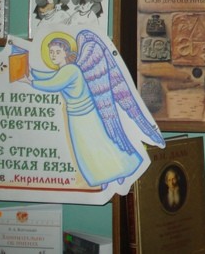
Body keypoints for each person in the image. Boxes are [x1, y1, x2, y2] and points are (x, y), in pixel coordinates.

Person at [19, 33, 144, 189]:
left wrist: (30, 82)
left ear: (66, 53)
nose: (53, 55)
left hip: (87, 116)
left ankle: (122, 170)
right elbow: (50, 76)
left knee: (100, 145)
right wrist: (31, 71)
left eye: (57, 52)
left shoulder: (71, 70)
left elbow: (53, 84)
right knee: (88, 151)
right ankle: (104, 177)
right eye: (51, 52)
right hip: (76, 117)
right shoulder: (63, 70)